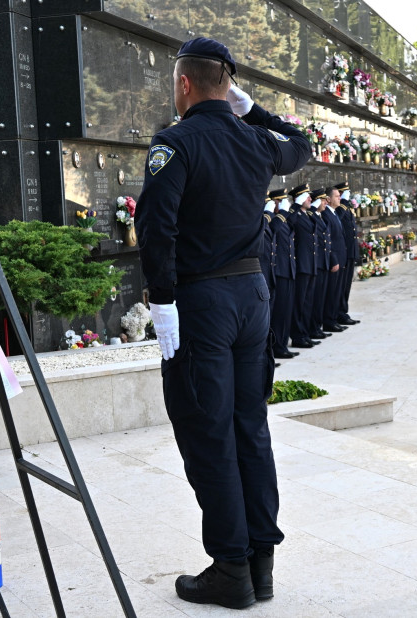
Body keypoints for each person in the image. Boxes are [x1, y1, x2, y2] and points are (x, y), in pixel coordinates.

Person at [133, 37, 311, 609]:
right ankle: (261, 565)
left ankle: (230, 569)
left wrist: (162, 304)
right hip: (252, 297)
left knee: (208, 431)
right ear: (226, 86)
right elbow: (302, 145)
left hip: (203, 303)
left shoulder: (175, 142)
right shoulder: (256, 139)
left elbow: (157, 230)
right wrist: (250, 107)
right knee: (249, 428)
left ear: (184, 83)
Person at [268, 189, 298, 359]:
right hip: (279, 271)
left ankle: (282, 344)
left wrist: (290, 211)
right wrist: (280, 213)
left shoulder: (284, 219)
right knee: (278, 313)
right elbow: (273, 231)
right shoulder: (273, 220)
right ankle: (276, 347)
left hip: (288, 269)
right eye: (281, 202)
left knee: (286, 311)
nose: (284, 204)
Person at [288, 184, 319, 349]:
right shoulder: (295, 215)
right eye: (307, 197)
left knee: (307, 302)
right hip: (301, 265)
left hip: (311, 264)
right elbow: (289, 225)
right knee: (299, 303)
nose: (310, 199)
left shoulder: (307, 215)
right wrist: (295, 206)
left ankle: (304, 333)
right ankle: (297, 336)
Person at [320, 186, 348, 332]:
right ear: (329, 199)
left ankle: (335, 317)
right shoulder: (326, 215)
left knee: (337, 290)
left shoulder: (334, 213)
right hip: (334, 259)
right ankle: (328, 321)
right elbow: (328, 240)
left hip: (341, 257)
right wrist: (333, 259)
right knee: (331, 292)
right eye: (337, 196)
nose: (340, 198)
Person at [333, 181, 361, 326]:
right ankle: (339, 313)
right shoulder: (338, 209)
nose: (343, 197)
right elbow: (338, 217)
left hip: (349, 251)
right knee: (341, 285)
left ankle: (343, 312)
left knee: (346, 286)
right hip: (343, 252)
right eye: (341, 195)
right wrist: (343, 202)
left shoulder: (346, 208)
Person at [309, 189, 332, 339]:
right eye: (323, 200)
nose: (326, 203)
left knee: (320, 298)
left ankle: (317, 327)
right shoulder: (312, 216)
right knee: (314, 298)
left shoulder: (321, 216)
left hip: (323, 262)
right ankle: (313, 328)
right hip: (315, 263)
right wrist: (312, 209)